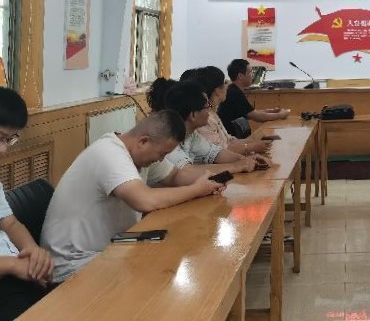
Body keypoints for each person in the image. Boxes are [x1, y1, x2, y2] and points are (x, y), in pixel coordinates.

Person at [40, 109, 226, 283]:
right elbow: (144, 200)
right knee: (157, 277)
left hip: (110, 250)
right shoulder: (109, 153)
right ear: (143, 141)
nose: (161, 159)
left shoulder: (140, 152)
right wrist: (196, 190)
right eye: (162, 153)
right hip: (73, 264)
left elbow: (175, 176)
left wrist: (208, 182)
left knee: (171, 258)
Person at [0, 88, 52, 320]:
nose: (4, 149)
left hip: (16, 274)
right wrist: (12, 266)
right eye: (0, 137)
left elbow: (10, 223)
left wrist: (33, 252)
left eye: (9, 139)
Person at [147, 78, 260, 174]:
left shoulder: (191, 134)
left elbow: (216, 153)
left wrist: (245, 160)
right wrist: (235, 166)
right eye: (207, 106)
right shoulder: (166, 137)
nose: (209, 111)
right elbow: (186, 171)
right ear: (193, 115)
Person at [191, 66, 272, 156]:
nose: (227, 86)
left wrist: (253, 140)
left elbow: (229, 140)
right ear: (217, 90)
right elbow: (220, 150)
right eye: (225, 83)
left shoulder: (213, 114)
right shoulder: (205, 119)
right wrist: (251, 147)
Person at [218, 59, 290, 133]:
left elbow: (250, 112)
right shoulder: (234, 93)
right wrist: (281, 115)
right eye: (250, 72)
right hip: (232, 137)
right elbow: (256, 116)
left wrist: (272, 111)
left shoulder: (233, 89)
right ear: (240, 76)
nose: (253, 75)